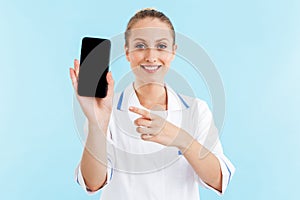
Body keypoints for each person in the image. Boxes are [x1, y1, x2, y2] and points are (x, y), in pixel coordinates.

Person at [70, 8, 235, 200]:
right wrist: (96, 123)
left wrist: (182, 139)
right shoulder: (106, 109)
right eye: (140, 46)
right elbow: (93, 182)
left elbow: (218, 180)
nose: (151, 56)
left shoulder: (196, 110)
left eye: (161, 46)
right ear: (127, 52)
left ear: (173, 52)